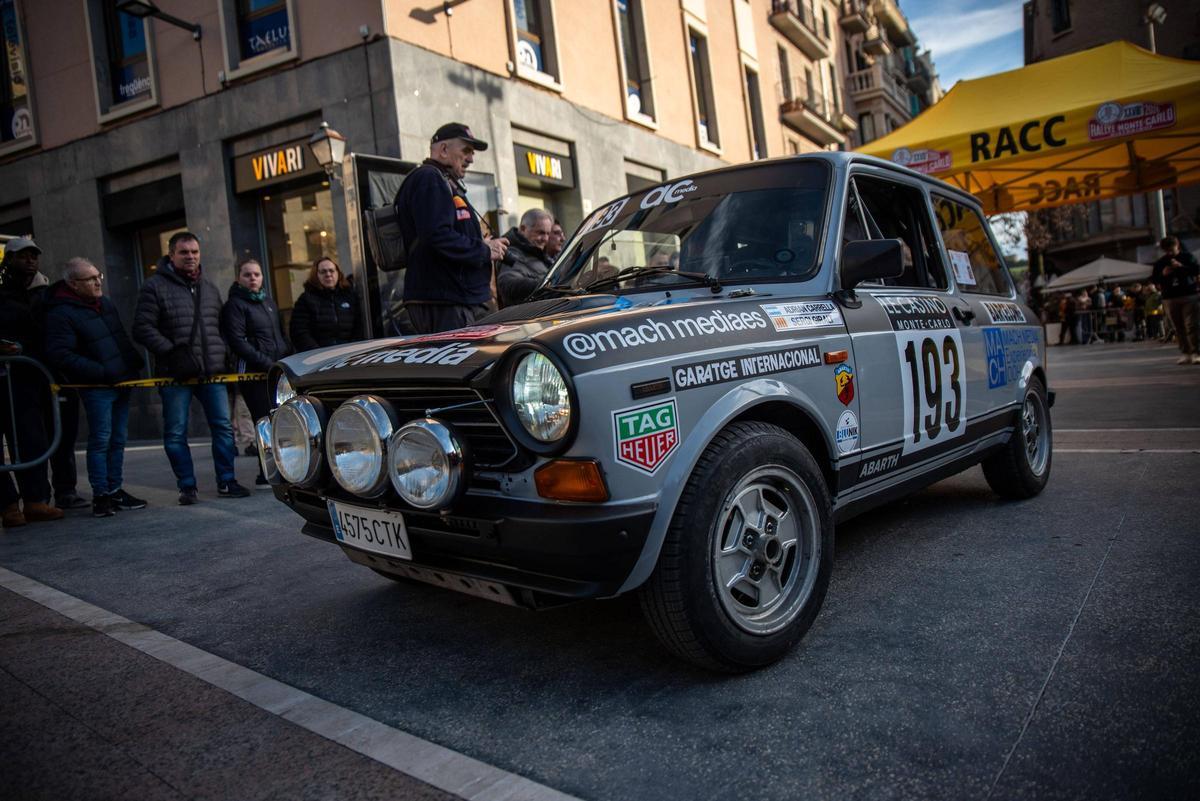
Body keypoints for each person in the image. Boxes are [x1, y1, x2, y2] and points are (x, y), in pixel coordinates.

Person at [132, 231, 250, 504]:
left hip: (212, 373)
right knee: (176, 431)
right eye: (184, 252)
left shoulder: (209, 288)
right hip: (176, 374)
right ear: (171, 255)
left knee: (222, 427)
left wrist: (223, 356)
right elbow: (142, 328)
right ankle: (187, 486)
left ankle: (227, 481)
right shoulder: (154, 286)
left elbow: (219, 327)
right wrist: (172, 352)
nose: (190, 257)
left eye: (195, 252)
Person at [42, 258, 147, 518]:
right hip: (97, 386)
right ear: (74, 284)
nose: (98, 281)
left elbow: (118, 339)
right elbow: (61, 354)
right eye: (90, 278)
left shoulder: (105, 304)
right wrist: (103, 372)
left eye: (98, 275)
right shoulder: (61, 312)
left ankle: (115, 489)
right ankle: (101, 494)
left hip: (121, 381)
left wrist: (130, 363)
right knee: (101, 439)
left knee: (118, 439)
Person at [394, 122, 508, 333]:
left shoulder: (442, 180)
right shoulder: (430, 179)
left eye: (472, 153)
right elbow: (436, 236)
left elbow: (440, 233)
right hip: (444, 301)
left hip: (453, 299)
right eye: (466, 150)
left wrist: (481, 244)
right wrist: (484, 249)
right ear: (444, 150)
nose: (471, 158)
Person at [0, 237, 63, 526]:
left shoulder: (44, 295)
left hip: (29, 380)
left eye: (33, 255)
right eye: (22, 256)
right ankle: (8, 505)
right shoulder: (3, 295)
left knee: (31, 438)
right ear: (8, 260)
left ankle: (36, 500)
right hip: (6, 377)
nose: (30, 260)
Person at [221, 257, 290, 487]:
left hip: (276, 372)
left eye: (257, 274)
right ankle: (267, 472)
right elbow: (237, 342)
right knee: (263, 423)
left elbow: (280, 335)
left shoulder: (268, 302)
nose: (253, 279)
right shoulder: (235, 305)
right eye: (247, 275)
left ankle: (285, 469)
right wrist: (266, 363)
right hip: (254, 374)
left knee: (280, 422)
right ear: (238, 278)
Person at [289, 258, 363, 352]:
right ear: (316, 275)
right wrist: (317, 353)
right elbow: (299, 332)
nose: (328, 274)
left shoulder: (349, 297)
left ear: (338, 273)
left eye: (331, 270)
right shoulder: (305, 300)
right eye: (323, 272)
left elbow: (359, 327)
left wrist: (353, 348)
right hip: (320, 357)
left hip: (348, 354)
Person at [1150, 236, 1200, 364]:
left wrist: (1181, 266)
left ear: (1177, 246)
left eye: (1171, 250)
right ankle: (1185, 352)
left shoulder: (1187, 257)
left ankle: (1195, 352)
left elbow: (1196, 271)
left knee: (1191, 325)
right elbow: (1154, 280)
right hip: (1170, 297)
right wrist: (1163, 274)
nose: (1169, 253)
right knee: (1178, 327)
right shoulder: (1161, 262)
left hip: (1189, 295)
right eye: (1167, 251)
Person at [496, 208, 553, 308]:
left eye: (548, 234)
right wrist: (546, 285)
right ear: (523, 229)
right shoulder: (512, 254)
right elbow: (508, 285)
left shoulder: (540, 254)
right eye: (540, 233)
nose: (545, 239)